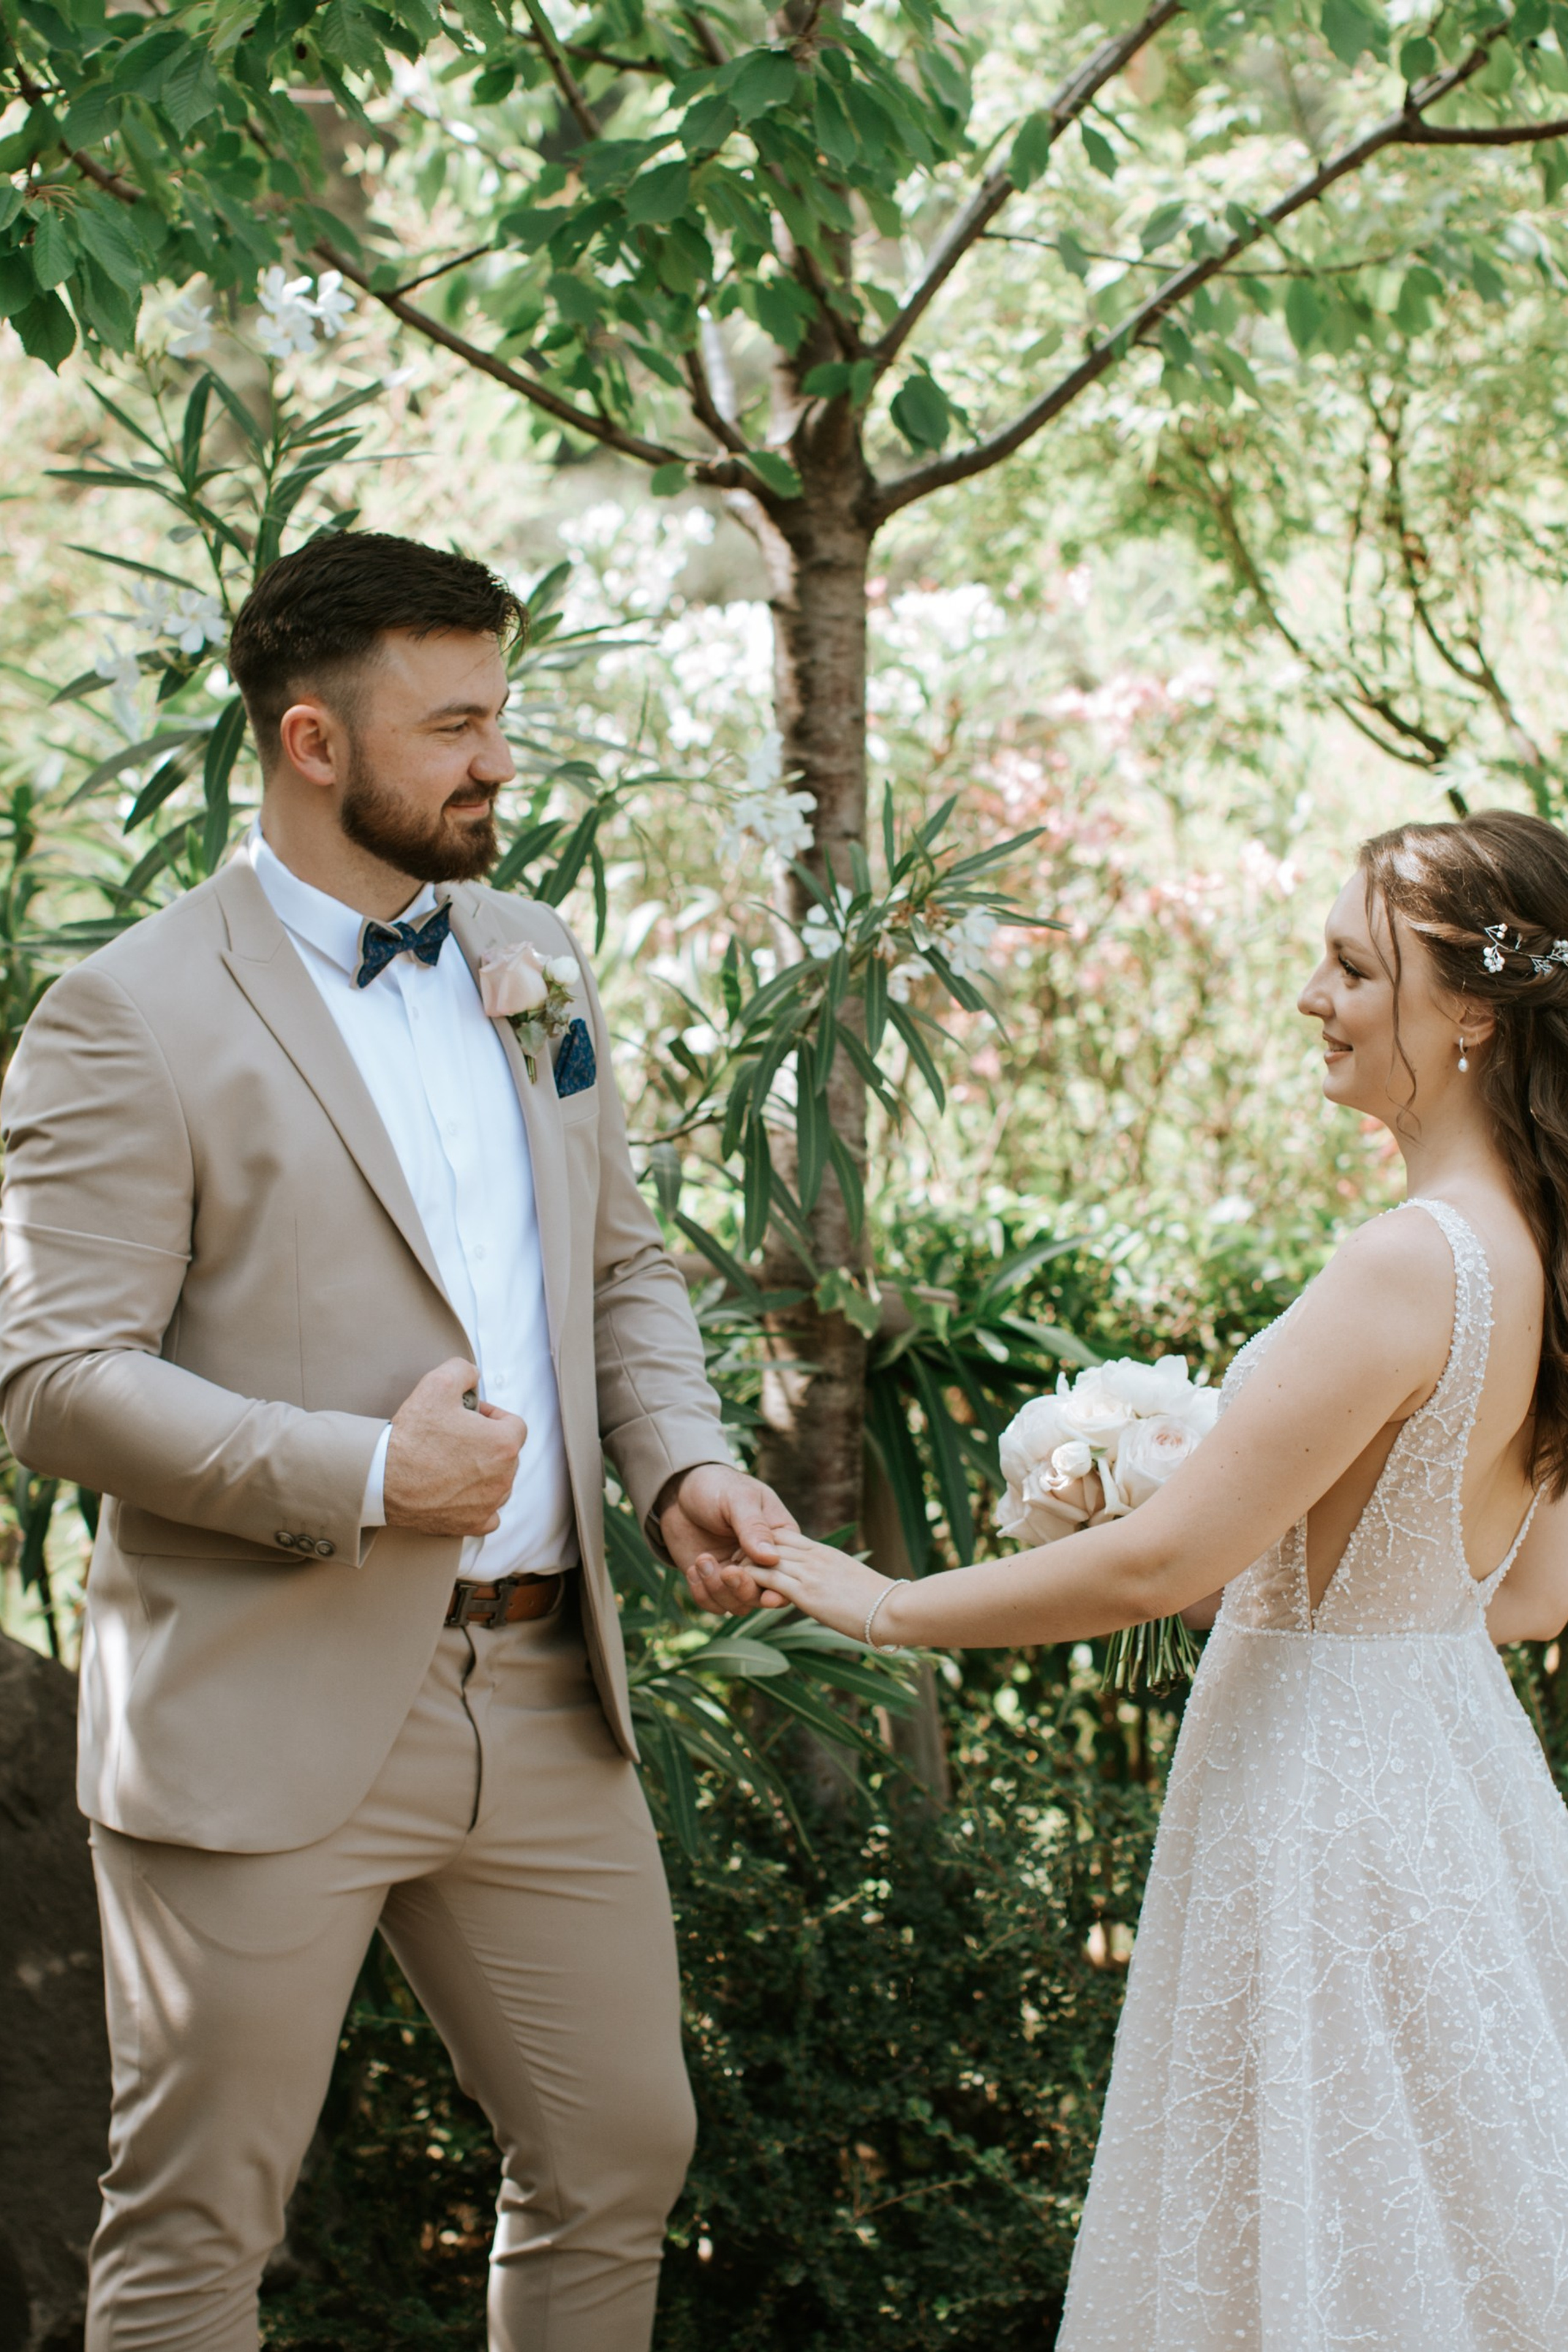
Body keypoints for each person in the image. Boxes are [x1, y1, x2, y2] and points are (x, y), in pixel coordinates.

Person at [0, 529, 796, 2352]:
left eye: (499, 714)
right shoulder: (130, 1015)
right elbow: (52, 1376)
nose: (497, 760)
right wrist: (364, 1476)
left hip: (538, 1690)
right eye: (453, 724)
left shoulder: (534, 957)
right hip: (259, 1699)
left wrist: (675, 1462)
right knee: (200, 2225)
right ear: (312, 742)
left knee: (618, 2154)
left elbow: (622, 1265)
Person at [718, 809, 1568, 2350]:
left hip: (1316, 1804)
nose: (1312, 996)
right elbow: (1521, 1595)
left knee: (1297, 2235)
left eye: (1348, 968)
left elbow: (1171, 1562)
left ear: (1467, 1011)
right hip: (1451, 1781)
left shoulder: (1406, 1261)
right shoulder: (1542, 1256)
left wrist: (882, 1603)